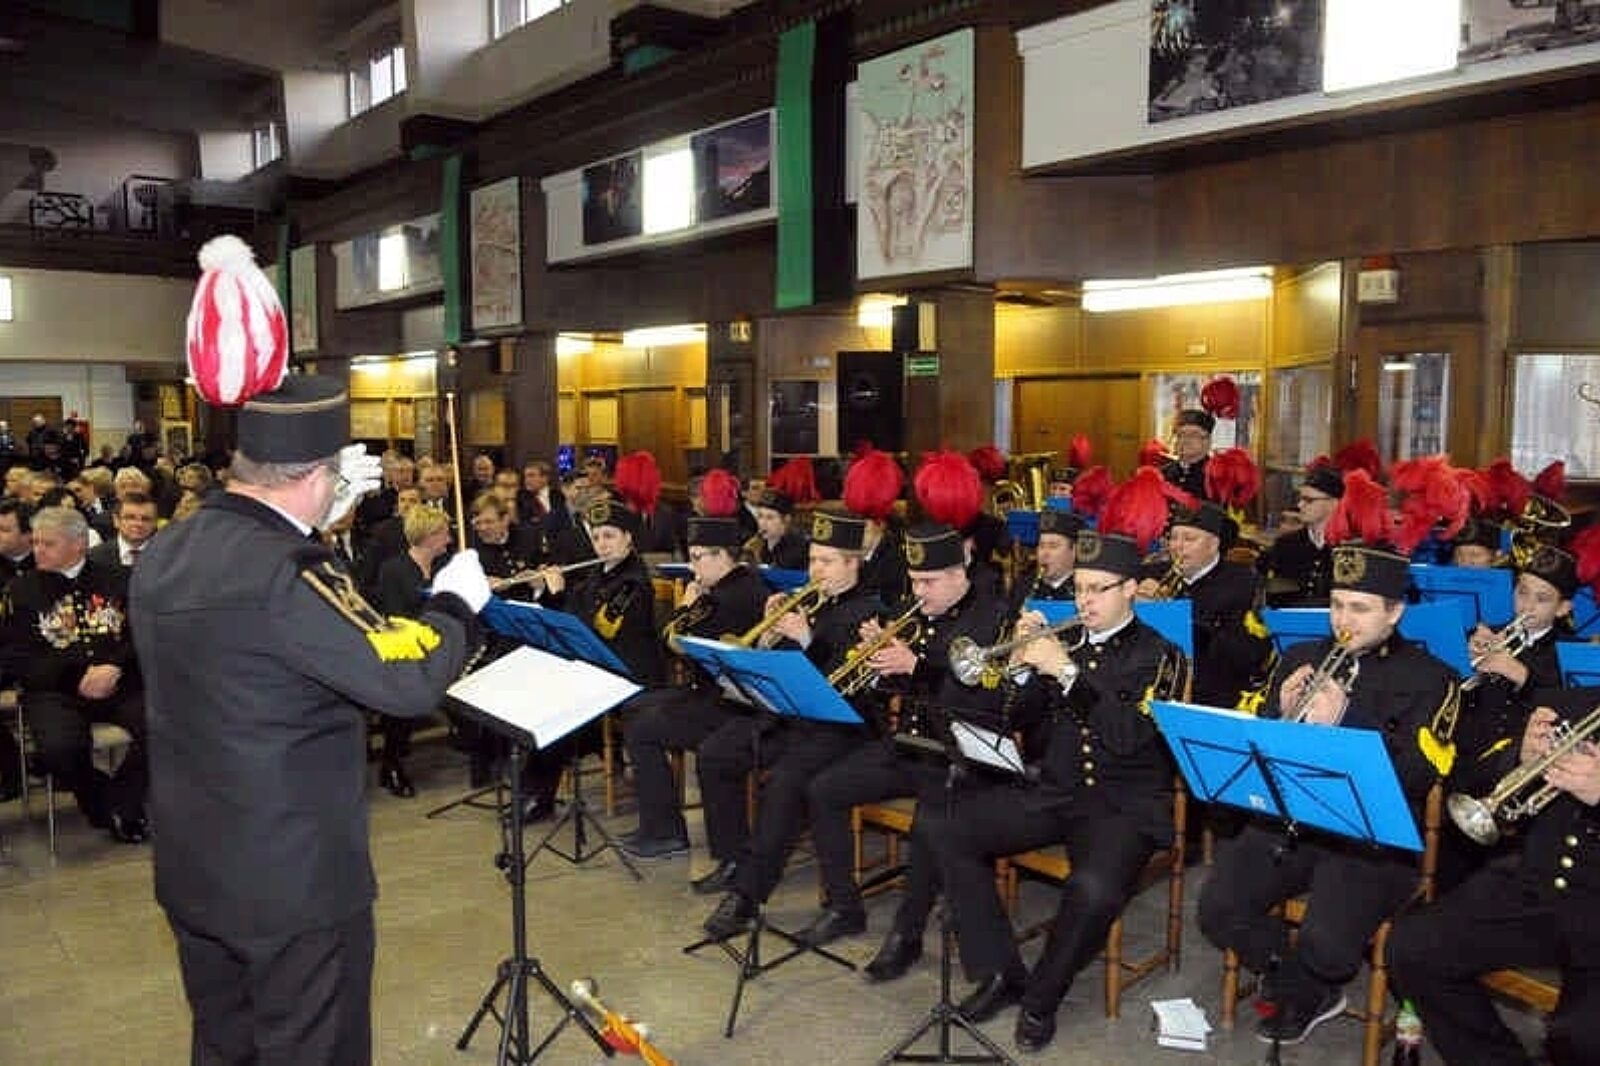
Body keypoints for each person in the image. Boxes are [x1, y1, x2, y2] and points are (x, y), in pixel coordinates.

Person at [131, 373, 490, 1066]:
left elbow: (256, 649)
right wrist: (454, 606)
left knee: (225, 1044)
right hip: (291, 879)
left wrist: (313, 529)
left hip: (195, 863)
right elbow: (406, 681)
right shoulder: (291, 571)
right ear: (320, 475)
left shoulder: (171, 548)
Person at [903, 488, 1192, 1052]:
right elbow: (1019, 720)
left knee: (1094, 889)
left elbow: (1128, 737)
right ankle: (999, 972)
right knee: (946, 829)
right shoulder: (1064, 642)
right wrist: (1017, 671)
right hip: (1055, 791)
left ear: (1131, 590)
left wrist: (1066, 674)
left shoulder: (1162, 657)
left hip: (1123, 808)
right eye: (1080, 588)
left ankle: (1041, 998)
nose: (1084, 600)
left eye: (1098, 589)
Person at [1197, 528, 1459, 1047]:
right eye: (1337, 605)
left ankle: (1310, 981)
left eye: (1360, 608)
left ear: (1395, 612)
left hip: (1374, 838)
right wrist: (1280, 714)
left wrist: (1346, 718)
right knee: (1218, 909)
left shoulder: (1433, 678)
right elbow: (1260, 748)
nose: (1343, 620)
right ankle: (1300, 982)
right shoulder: (1300, 656)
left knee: (1328, 944)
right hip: (1295, 818)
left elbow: (1417, 776)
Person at [798, 511, 1010, 951]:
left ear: (959, 573)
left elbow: (985, 701)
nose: (918, 592)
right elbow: (884, 691)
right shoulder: (908, 611)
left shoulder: (991, 619)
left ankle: (906, 934)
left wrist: (915, 667)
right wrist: (875, 666)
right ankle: (844, 907)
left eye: (928, 582)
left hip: (957, 755)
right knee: (822, 789)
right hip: (908, 744)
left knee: (928, 824)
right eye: (914, 581)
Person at [1387, 688, 1600, 1066]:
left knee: (1579, 1036)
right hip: (1536, 886)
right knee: (1411, 947)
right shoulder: (1576, 704)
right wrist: (1520, 756)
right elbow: (1467, 779)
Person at [696, 509, 883, 929]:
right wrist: (767, 637)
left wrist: (807, 639)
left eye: (827, 561)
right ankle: (733, 858)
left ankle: (748, 893)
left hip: (844, 729)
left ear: (853, 563)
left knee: (785, 782)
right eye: (813, 559)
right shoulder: (810, 602)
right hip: (793, 718)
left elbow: (845, 686)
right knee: (718, 751)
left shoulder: (869, 613)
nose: (816, 570)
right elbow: (777, 671)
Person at [615, 470, 767, 860]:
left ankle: (666, 831)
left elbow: (677, 643)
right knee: (635, 708)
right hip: (709, 692)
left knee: (642, 729)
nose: (693, 566)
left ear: (724, 556)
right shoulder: (728, 585)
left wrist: (685, 608)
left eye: (699, 557)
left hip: (732, 705)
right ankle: (659, 823)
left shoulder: (730, 595)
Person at [1, 505, 147, 841]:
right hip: (56, 691)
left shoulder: (119, 580)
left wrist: (115, 665)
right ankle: (103, 803)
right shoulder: (21, 590)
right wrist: (75, 678)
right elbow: (18, 655)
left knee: (166, 727)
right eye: (35, 542)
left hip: (119, 682)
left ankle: (125, 803)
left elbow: (142, 633)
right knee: (57, 750)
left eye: (48, 544)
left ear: (78, 544)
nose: (37, 550)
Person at [1138, 501, 1269, 709]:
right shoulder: (1149, 574)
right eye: (1173, 537)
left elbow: (1248, 657)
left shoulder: (1245, 583)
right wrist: (1134, 605)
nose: (1177, 546)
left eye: (1189, 539)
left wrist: (1175, 612)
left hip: (1213, 694)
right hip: (1151, 688)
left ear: (1214, 545)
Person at [370, 505, 455, 798]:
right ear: (428, 536)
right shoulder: (393, 569)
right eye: (444, 533)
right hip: (407, 648)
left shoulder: (447, 566)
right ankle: (391, 763)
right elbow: (397, 618)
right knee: (406, 688)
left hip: (442, 644)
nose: (449, 539)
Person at [1257, 460, 1343, 607]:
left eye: (1309, 500)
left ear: (1334, 504)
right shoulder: (1285, 545)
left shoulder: (1348, 549)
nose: (1300, 505)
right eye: (1300, 498)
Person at [1009, 507, 1081, 613]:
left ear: (1074, 550)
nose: (1044, 553)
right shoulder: (1024, 585)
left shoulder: (1085, 587)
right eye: (1041, 545)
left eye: (1053, 546)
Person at [87, 491, 159, 573]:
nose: (138, 524)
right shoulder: (93, 558)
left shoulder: (167, 558)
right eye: (130, 518)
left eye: (146, 519)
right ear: (116, 520)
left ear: (155, 523)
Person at [743, 485, 809, 570]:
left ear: (786, 519)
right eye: (760, 516)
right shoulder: (756, 543)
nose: (762, 523)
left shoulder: (800, 548)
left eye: (770, 518)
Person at [1161, 409, 1213, 501]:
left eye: (1193, 435)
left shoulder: (1218, 477)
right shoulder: (1161, 474)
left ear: (1207, 441)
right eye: (1181, 434)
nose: (1185, 440)